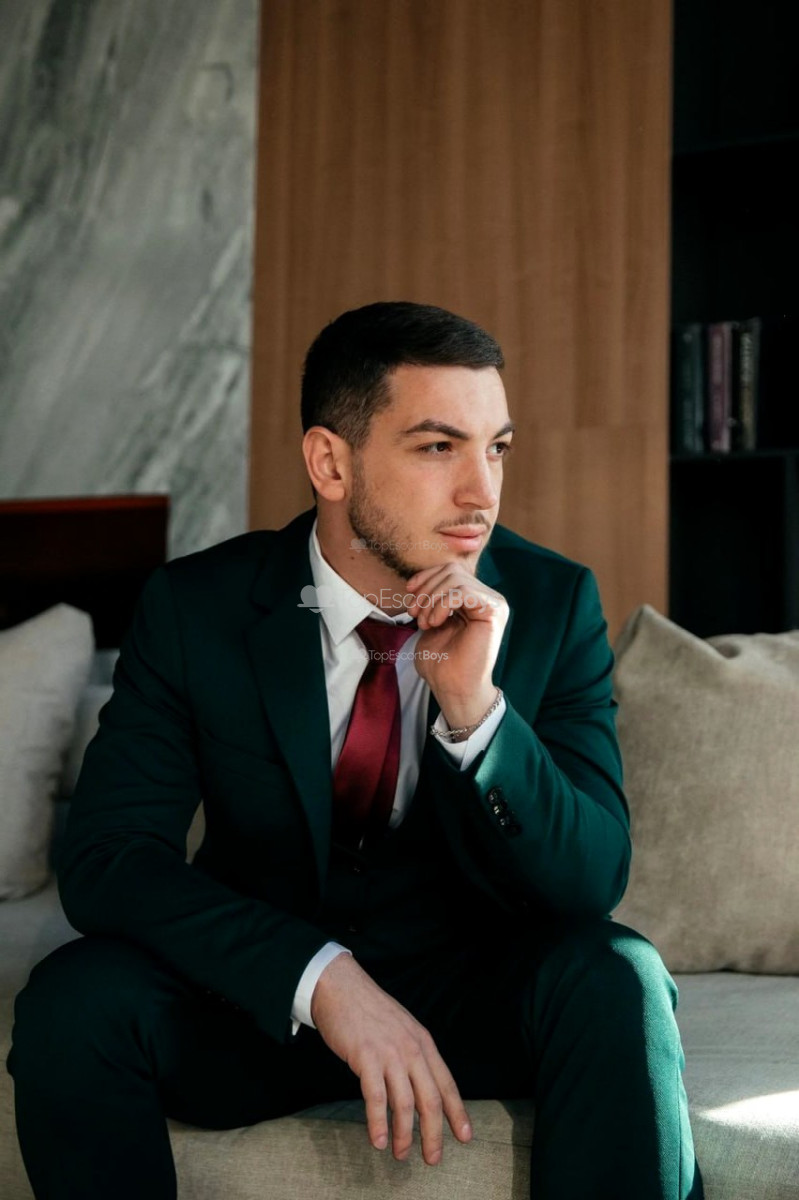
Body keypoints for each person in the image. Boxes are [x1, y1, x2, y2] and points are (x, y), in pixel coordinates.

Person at [6, 301, 705, 1199]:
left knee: (619, 975)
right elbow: (108, 860)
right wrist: (320, 978)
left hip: (471, 998)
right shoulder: (196, 608)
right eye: (437, 447)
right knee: (74, 999)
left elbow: (590, 880)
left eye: (495, 448)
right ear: (330, 463)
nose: (481, 493)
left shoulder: (552, 603)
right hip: (264, 1004)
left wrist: (476, 711)